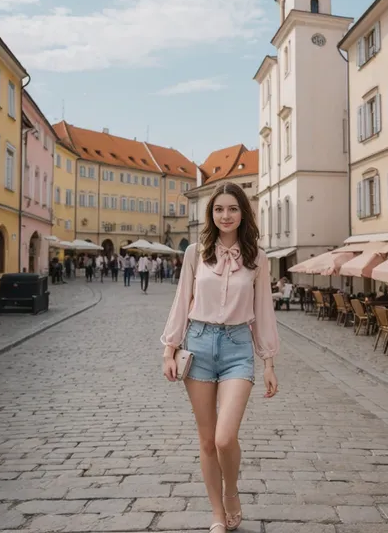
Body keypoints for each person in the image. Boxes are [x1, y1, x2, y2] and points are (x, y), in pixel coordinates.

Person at [161, 182, 279, 533]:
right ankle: (216, 514)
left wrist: (268, 361)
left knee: (225, 437)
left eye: (232, 209)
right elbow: (182, 301)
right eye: (218, 209)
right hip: (197, 344)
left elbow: (264, 310)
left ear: (243, 213)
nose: (225, 215)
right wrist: (170, 348)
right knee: (207, 439)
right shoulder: (196, 253)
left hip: (238, 347)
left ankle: (231, 493)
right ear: (210, 214)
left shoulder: (257, 258)